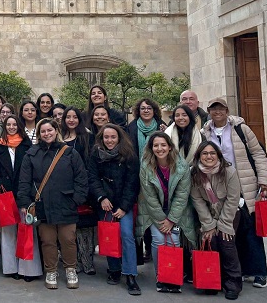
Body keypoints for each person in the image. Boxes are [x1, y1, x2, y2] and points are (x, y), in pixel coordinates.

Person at [201, 98, 267, 289]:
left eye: (221, 109)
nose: (217, 112)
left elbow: (258, 153)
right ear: (209, 111)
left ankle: (258, 272)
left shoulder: (241, 129)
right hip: (220, 187)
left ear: (227, 110)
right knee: (230, 230)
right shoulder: (205, 132)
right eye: (213, 109)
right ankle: (237, 270)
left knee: (250, 229)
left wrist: (264, 180)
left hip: (244, 184)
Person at [18, 118, 89, 290]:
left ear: (56, 130)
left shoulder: (70, 153)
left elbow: (81, 178)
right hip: (42, 204)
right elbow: (24, 181)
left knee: (68, 239)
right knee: (47, 240)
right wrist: (26, 203)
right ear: (39, 134)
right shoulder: (31, 153)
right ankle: (51, 270)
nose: (47, 134)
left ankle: (70, 269)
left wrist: (76, 200)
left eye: (50, 130)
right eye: (43, 131)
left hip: (66, 202)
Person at [136, 132, 197, 293]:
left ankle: (173, 278)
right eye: (156, 145)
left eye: (163, 145)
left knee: (174, 241)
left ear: (170, 147)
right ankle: (161, 277)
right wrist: (162, 220)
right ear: (151, 148)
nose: (159, 148)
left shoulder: (182, 166)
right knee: (158, 239)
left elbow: (182, 195)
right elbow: (148, 196)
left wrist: (171, 220)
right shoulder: (145, 166)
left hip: (177, 212)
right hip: (153, 211)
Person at [86, 124, 141, 295]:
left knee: (126, 235)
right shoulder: (96, 154)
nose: (109, 140)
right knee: (109, 234)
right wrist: (101, 197)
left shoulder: (129, 155)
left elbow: (132, 183)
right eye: (106, 137)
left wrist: (124, 207)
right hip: (105, 202)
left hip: (123, 203)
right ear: (101, 138)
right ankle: (114, 269)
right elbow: (92, 178)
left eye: (113, 137)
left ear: (119, 138)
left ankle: (131, 274)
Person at [191, 141, 243, 300]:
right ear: (199, 156)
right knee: (211, 241)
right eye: (205, 153)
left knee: (226, 243)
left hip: (229, 214)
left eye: (212, 153)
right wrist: (208, 225)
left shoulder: (229, 171)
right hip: (208, 216)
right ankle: (212, 280)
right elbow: (197, 199)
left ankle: (233, 282)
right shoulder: (195, 173)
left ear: (218, 155)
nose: (209, 156)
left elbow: (233, 199)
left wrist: (223, 224)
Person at [0, 115, 41, 281]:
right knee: (8, 233)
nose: (12, 127)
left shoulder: (27, 145)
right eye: (9, 124)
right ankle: (10, 268)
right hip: (5, 193)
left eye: (15, 124)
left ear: (19, 126)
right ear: (5, 126)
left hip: (25, 193)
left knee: (27, 230)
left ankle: (28, 270)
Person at [61, 107, 97, 275]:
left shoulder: (87, 138)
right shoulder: (59, 138)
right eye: (68, 117)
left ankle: (87, 261)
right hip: (64, 188)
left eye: (75, 117)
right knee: (69, 227)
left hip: (84, 185)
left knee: (85, 226)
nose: (71, 120)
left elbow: (91, 163)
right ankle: (73, 261)